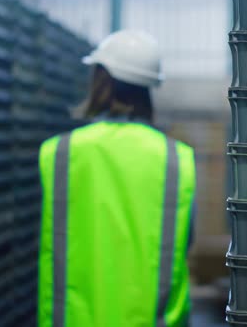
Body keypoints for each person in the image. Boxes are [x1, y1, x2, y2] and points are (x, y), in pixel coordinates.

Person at [38, 30, 196, 327]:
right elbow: (185, 242)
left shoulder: (58, 153)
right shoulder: (177, 160)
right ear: (150, 87)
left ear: (101, 79)